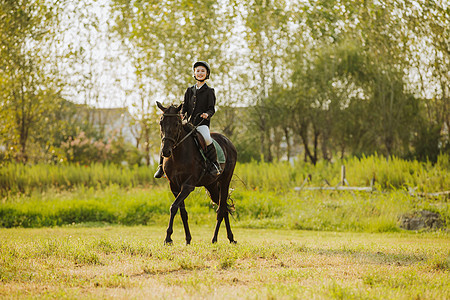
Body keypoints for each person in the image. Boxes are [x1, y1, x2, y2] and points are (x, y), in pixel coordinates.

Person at [154, 61, 222, 178]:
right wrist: (181, 114)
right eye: (198, 71)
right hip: (188, 123)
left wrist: (207, 114)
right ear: (194, 73)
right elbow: (185, 106)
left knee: (206, 137)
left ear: (207, 74)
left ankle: (214, 164)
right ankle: (161, 166)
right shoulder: (189, 90)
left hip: (201, 124)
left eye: (202, 71)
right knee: (169, 135)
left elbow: (212, 108)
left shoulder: (209, 91)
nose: (200, 73)